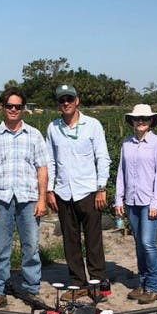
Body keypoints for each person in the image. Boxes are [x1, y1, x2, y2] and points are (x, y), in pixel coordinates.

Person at [0, 86, 49, 309]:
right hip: (1, 199)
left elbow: (42, 169)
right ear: (2, 107)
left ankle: (31, 289)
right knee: (1, 247)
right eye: (10, 106)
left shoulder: (34, 135)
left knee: (31, 246)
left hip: (28, 198)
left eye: (18, 106)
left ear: (23, 109)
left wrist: (42, 199)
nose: (14, 110)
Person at [45, 84, 111, 299]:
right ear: (58, 103)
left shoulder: (92, 125)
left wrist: (101, 187)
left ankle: (97, 284)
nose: (66, 103)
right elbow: (50, 161)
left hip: (88, 191)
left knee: (93, 240)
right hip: (64, 192)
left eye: (69, 99)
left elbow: (102, 157)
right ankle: (77, 283)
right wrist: (49, 190)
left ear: (77, 101)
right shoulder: (53, 128)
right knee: (70, 241)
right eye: (62, 100)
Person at [114, 104, 157, 304]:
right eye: (137, 119)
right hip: (132, 200)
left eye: (145, 118)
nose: (141, 121)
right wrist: (118, 198)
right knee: (139, 244)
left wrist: (155, 202)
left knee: (147, 243)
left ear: (151, 121)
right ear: (132, 121)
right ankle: (143, 282)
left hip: (150, 201)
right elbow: (122, 172)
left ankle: (154, 286)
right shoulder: (126, 143)